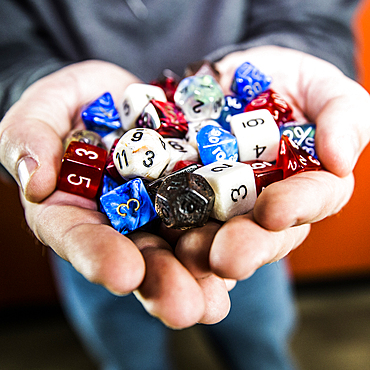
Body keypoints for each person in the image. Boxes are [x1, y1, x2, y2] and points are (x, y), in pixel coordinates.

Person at [0, 0, 369, 369]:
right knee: (125, 347)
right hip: (91, 225)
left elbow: (313, 17)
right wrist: (25, 89)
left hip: (242, 222)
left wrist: (299, 54)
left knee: (260, 334)